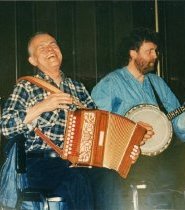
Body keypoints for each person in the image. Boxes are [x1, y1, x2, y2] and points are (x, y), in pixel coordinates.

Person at [0, 32, 152, 210]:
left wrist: (126, 150)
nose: (50, 49)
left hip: (78, 162)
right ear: (33, 60)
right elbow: (5, 126)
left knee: (109, 179)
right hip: (41, 163)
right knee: (76, 181)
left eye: (53, 44)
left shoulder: (77, 87)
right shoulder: (25, 87)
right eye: (42, 47)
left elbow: (99, 127)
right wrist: (41, 107)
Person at [91, 27, 185, 144]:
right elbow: (96, 126)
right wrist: (131, 130)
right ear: (133, 53)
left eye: (156, 51)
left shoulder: (158, 83)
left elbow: (178, 123)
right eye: (150, 51)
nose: (155, 56)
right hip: (124, 157)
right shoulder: (110, 83)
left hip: (159, 157)